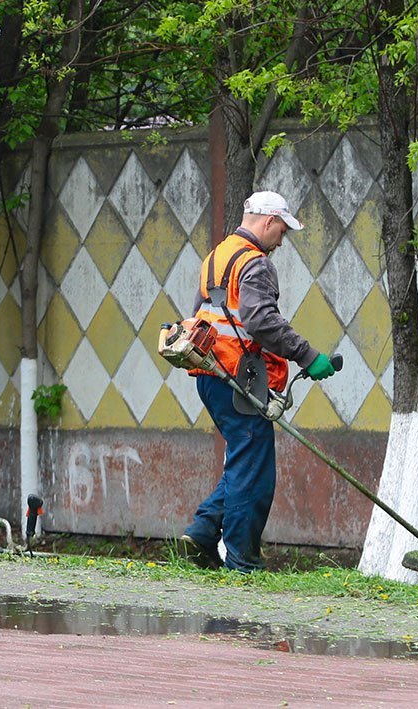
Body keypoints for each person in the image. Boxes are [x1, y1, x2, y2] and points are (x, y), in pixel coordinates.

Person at [178, 190, 336, 572]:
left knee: (244, 459)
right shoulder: (256, 263)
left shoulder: (217, 256)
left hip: (209, 372)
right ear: (268, 222)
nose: (281, 240)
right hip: (238, 379)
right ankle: (241, 561)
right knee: (256, 473)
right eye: (282, 230)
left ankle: (202, 532)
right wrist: (307, 355)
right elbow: (260, 320)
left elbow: (203, 315)